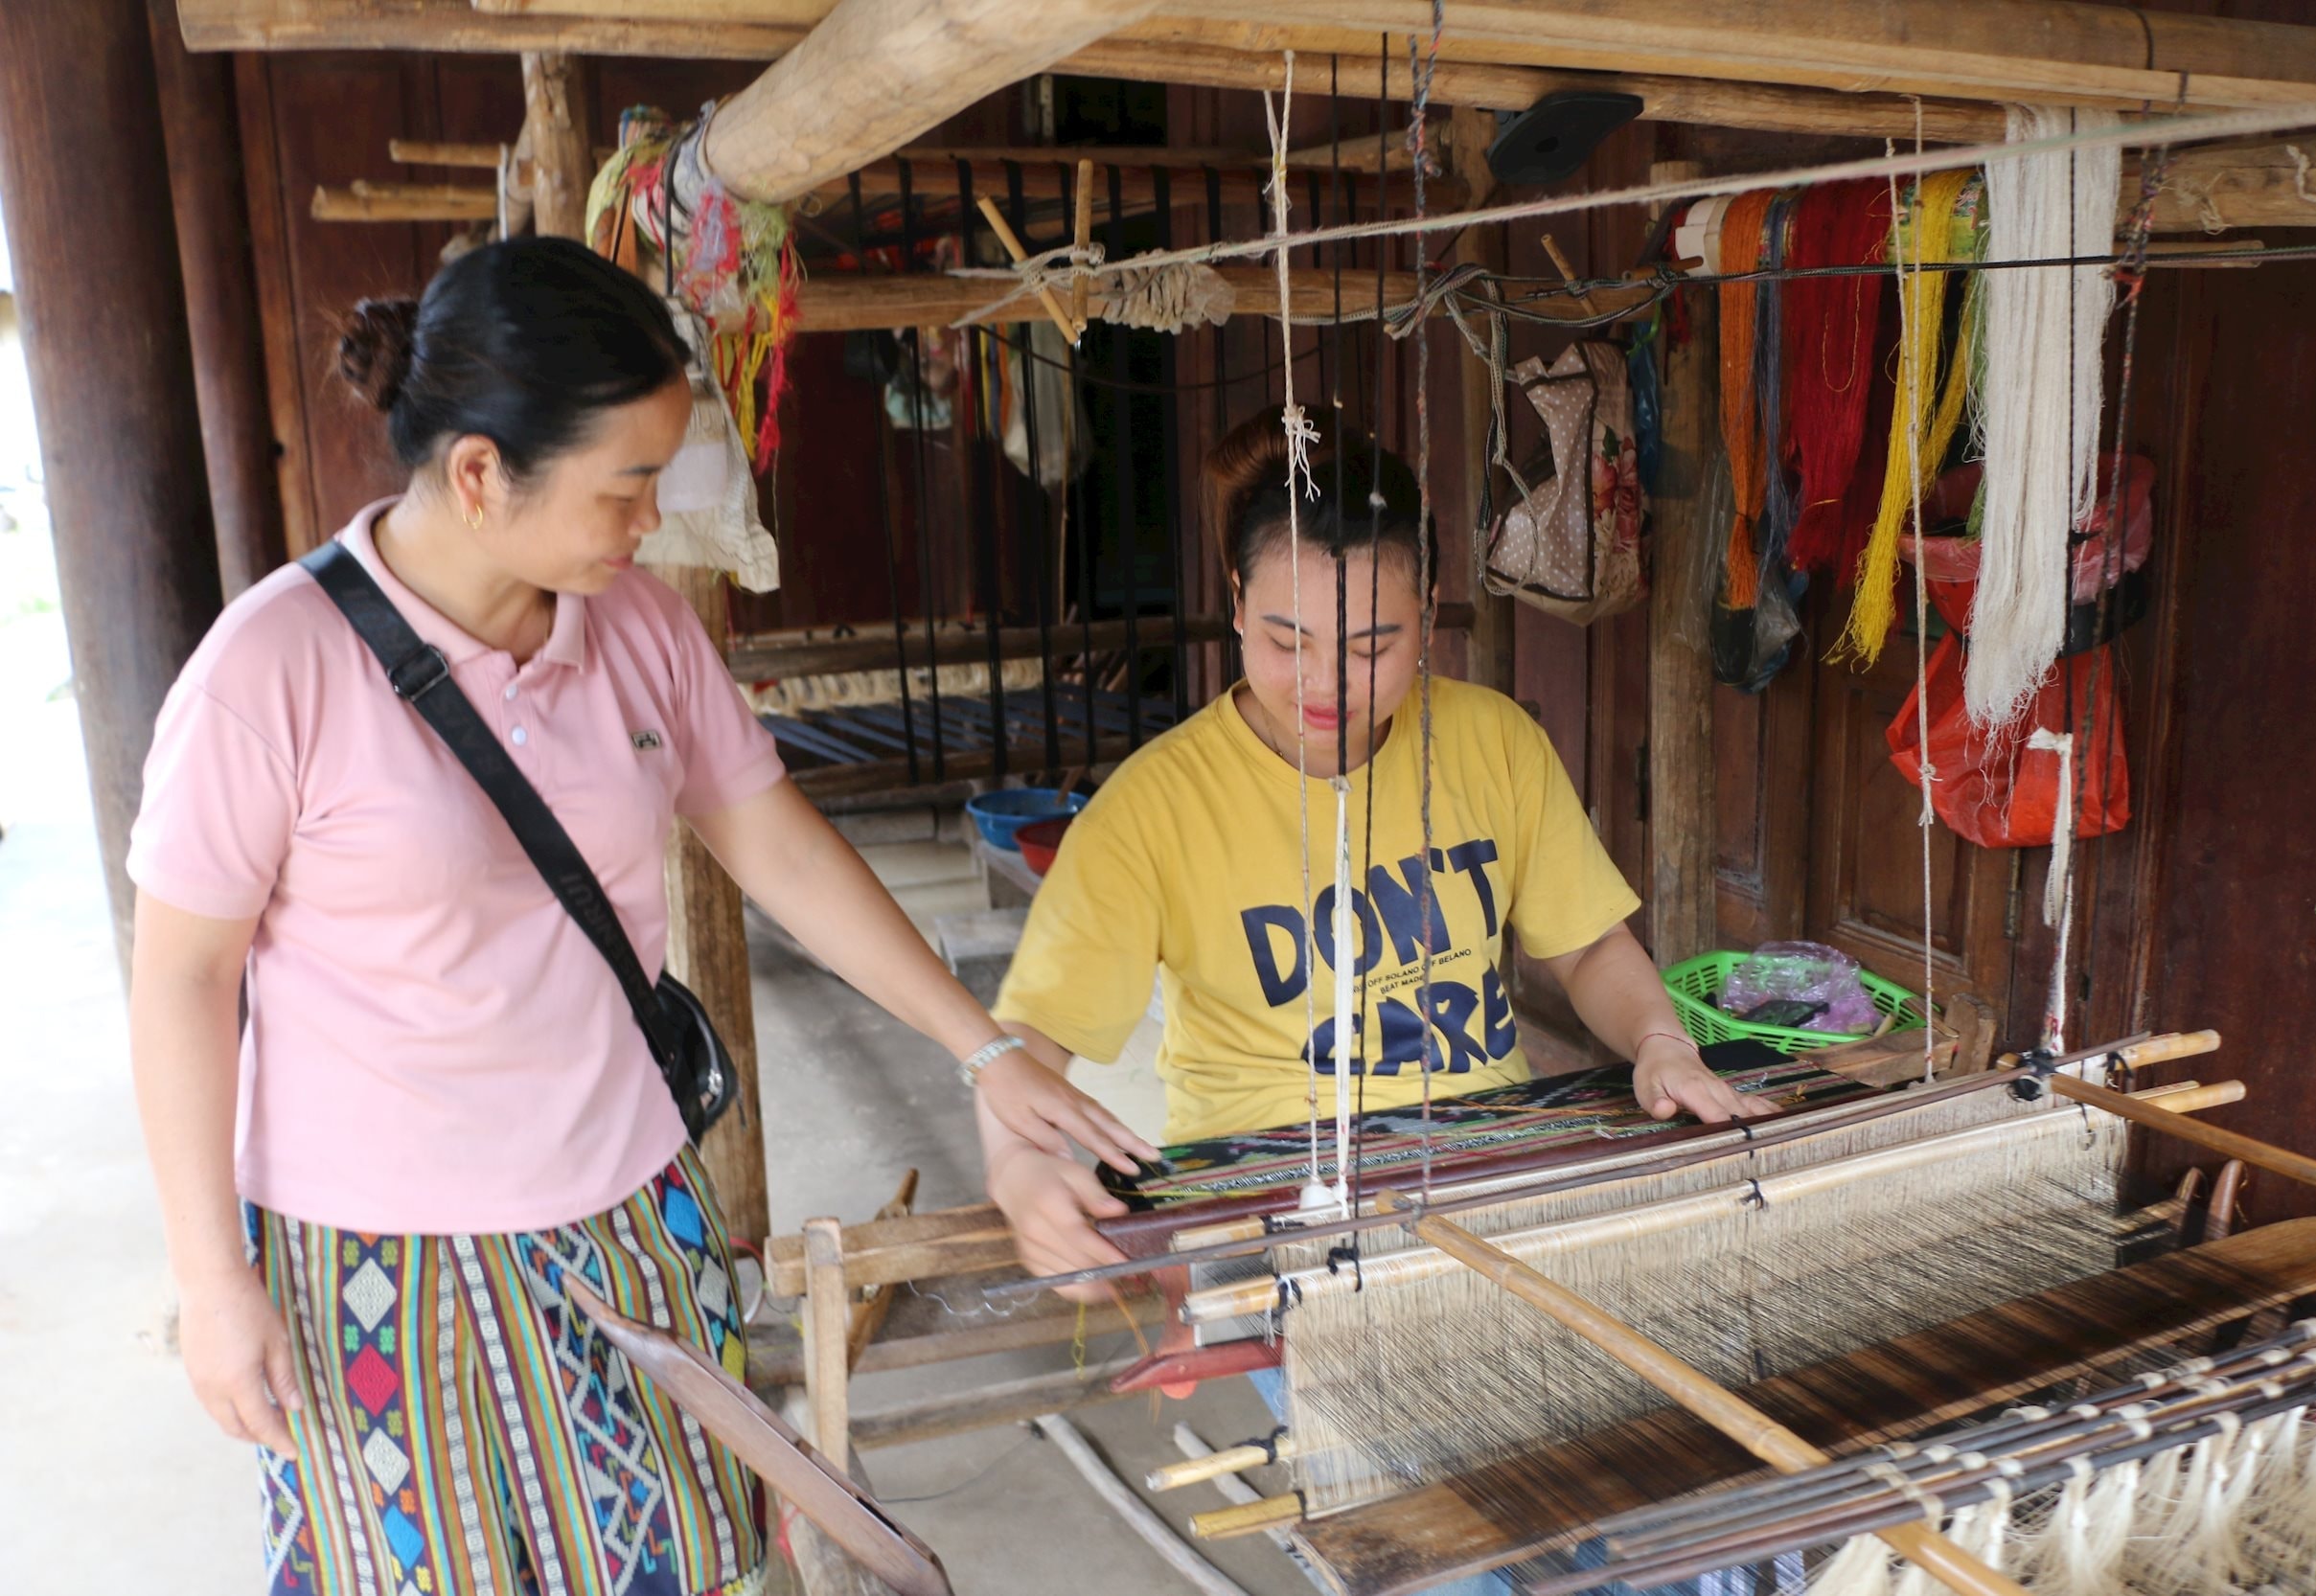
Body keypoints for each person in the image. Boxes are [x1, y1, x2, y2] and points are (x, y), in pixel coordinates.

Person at [126, 236, 1148, 1596]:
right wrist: (211, 1274)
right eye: (628, 484)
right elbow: (183, 977)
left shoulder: (639, 632)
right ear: (483, 472)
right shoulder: (272, 671)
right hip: (379, 1248)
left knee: (689, 1557)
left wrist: (985, 1048)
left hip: (625, 1204)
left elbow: (775, 843)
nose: (649, 520)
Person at [979, 405, 1775, 1292]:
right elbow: (1029, 1041)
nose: (1324, 684)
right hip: (1273, 1202)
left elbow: (1586, 944)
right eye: (1288, 642)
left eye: (1370, 646)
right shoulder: (1151, 810)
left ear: (1429, 615)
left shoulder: (1493, 743)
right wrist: (1019, 1167)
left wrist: (1662, 1043)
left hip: (1490, 1167)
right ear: (1237, 609)